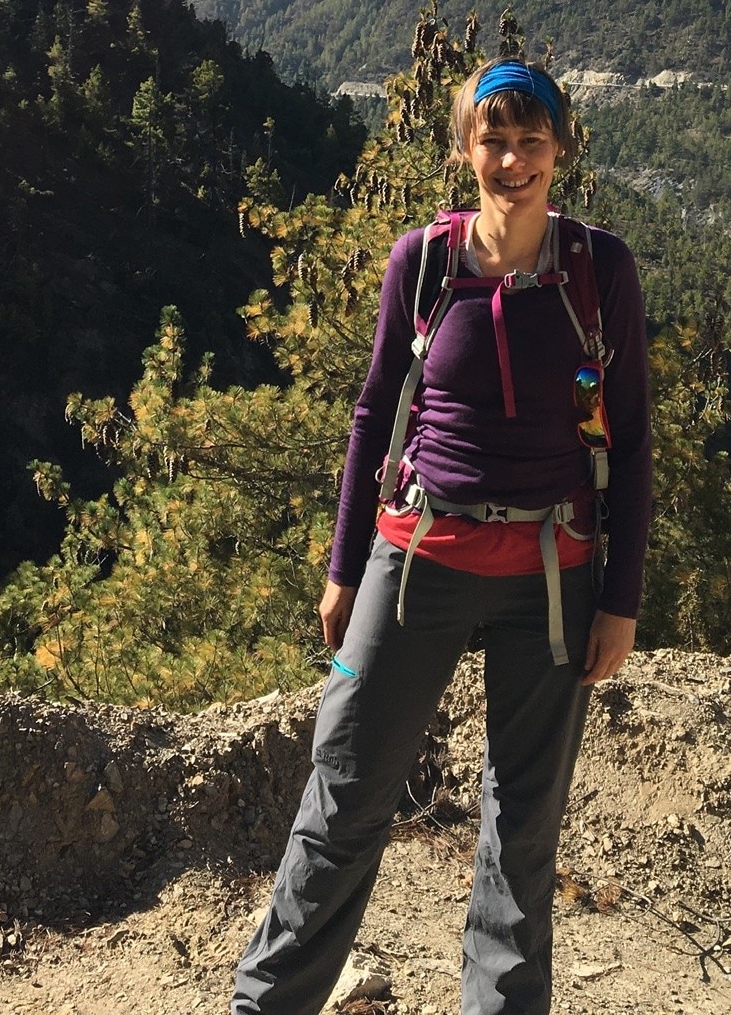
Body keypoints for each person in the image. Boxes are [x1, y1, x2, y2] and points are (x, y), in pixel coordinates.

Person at [232, 59, 652, 1015]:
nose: (512, 160)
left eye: (530, 141)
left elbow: (630, 441)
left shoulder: (602, 271)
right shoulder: (423, 263)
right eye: (492, 140)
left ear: (561, 149)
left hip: (555, 576)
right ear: (465, 150)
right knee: (342, 794)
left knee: (523, 827)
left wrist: (621, 600)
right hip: (414, 558)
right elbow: (375, 414)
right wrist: (345, 570)